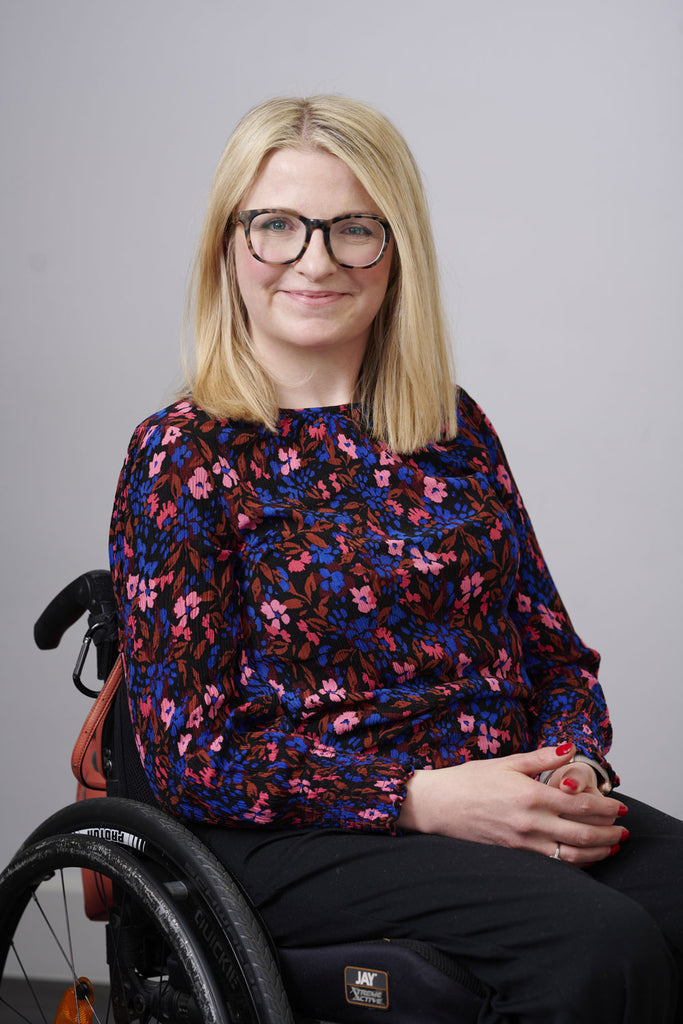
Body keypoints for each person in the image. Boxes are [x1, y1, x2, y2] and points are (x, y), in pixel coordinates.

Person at [109, 95, 682, 1023]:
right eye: (278, 227)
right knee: (595, 949)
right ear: (227, 246)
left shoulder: (451, 428)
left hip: (499, 786)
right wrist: (418, 800)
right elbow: (188, 757)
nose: (316, 259)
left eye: (352, 230)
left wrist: (571, 766)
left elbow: (552, 653)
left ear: (395, 249)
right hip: (297, 826)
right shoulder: (185, 455)